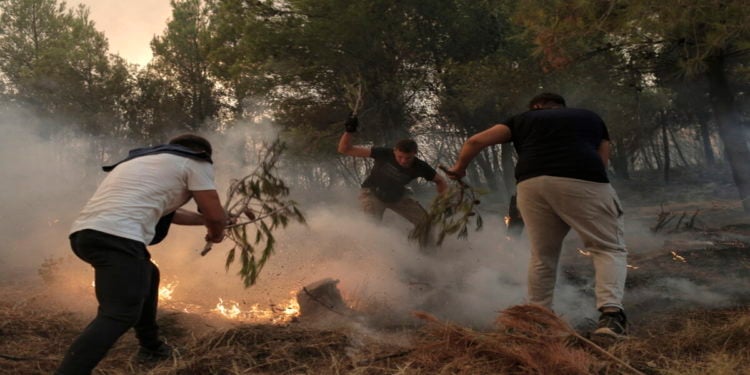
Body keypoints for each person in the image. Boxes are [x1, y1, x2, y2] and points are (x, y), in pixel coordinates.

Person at [445, 93, 628, 341]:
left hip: (531, 185)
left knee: (543, 256)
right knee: (607, 248)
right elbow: (602, 161)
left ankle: (538, 318)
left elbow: (475, 142)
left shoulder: (521, 120)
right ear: (562, 107)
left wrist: (459, 168)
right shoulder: (590, 117)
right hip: (583, 180)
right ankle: (610, 318)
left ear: (535, 108)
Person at [56, 134, 228, 375]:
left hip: (85, 235)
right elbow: (215, 214)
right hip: (119, 238)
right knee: (119, 314)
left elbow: (169, 214)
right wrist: (216, 230)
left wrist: (205, 221)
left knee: (148, 273)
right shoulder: (196, 162)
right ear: (203, 154)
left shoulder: (141, 163)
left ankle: (151, 347)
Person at [337, 114, 448, 236]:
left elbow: (440, 181)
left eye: (408, 158)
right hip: (372, 194)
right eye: (400, 157)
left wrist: (444, 201)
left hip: (397, 197)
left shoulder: (420, 166)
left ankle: (428, 253)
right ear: (394, 151)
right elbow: (345, 149)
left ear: (415, 154)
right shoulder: (384, 153)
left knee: (426, 224)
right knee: (370, 228)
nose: (403, 161)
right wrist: (349, 131)